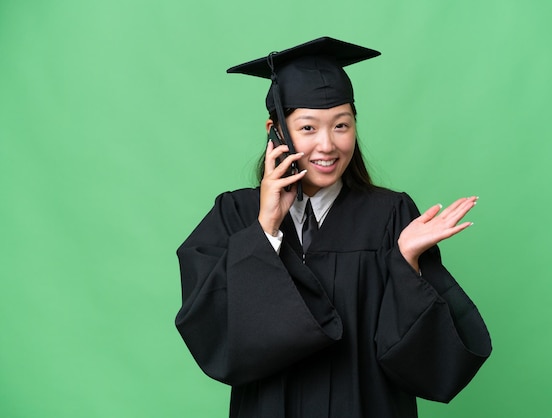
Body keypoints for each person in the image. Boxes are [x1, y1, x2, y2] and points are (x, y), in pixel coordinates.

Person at [175, 37, 492, 418]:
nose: (327, 145)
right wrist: (266, 232)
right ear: (276, 131)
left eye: (341, 125)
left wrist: (406, 262)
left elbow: (423, 361)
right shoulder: (235, 214)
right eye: (308, 128)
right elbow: (216, 333)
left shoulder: (391, 214)